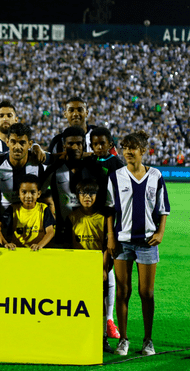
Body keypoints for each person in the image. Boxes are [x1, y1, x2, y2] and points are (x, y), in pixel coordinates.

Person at [107, 130, 170, 356]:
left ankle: (147, 340)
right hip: (122, 242)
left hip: (147, 242)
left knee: (147, 293)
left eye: (133, 148)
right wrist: (111, 237)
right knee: (123, 292)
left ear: (143, 151)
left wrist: (160, 233)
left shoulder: (156, 175)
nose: (128, 152)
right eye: (125, 148)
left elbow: (163, 209)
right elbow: (109, 210)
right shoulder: (115, 176)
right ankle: (123, 339)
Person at [66, 178, 113, 352]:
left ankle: (102, 338)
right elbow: (68, 245)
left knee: (99, 303)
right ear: (77, 196)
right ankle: (77, 335)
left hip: (97, 268)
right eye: (83, 193)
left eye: (92, 193)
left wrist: (103, 268)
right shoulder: (71, 217)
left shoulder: (102, 217)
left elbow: (106, 246)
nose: (87, 197)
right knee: (76, 303)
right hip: (78, 267)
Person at [89, 126, 123, 340]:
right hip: (86, 221)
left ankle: (108, 320)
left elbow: (116, 201)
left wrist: (112, 231)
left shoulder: (117, 165)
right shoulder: (88, 162)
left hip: (109, 224)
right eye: (95, 144)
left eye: (103, 143)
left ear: (111, 145)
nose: (99, 147)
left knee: (106, 268)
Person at [45, 126, 103, 245]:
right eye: (71, 144)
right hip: (62, 231)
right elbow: (39, 191)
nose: (75, 147)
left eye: (79, 143)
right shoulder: (54, 170)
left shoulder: (94, 169)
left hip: (89, 232)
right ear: (64, 145)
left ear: (84, 145)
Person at [0, 123, 51, 220]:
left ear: (30, 144)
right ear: (7, 142)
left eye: (22, 143)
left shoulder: (39, 160)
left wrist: (37, 147)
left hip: (32, 222)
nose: (17, 147)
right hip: (3, 223)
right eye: (13, 142)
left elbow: (60, 158)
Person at [0, 174, 55, 251]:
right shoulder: (13, 209)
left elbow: (50, 232)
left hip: (37, 253)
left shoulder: (44, 209)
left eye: (32, 192)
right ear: (18, 193)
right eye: (24, 192)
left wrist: (39, 246)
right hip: (17, 252)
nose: (28, 196)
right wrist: (5, 243)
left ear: (38, 194)